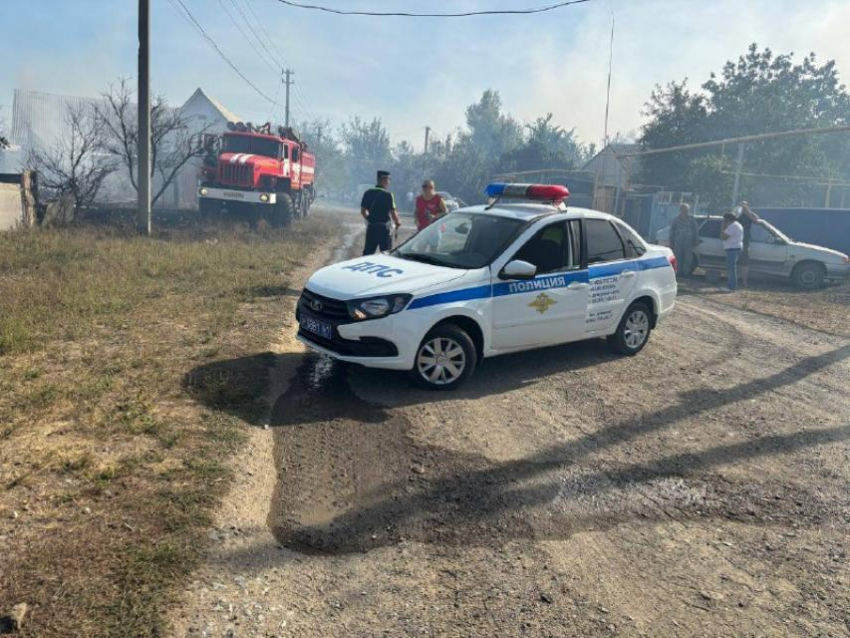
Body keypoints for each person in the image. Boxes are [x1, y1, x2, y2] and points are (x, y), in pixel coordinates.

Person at [360, 170, 401, 255]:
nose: (389, 182)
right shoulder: (388, 195)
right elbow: (393, 213)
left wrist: (369, 219)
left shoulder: (368, 193)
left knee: (368, 253)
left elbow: (363, 211)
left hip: (371, 228)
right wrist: (398, 222)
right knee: (386, 255)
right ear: (384, 179)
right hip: (384, 230)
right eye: (389, 179)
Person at [669, 203, 699, 277]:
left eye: (686, 210)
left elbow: (695, 230)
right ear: (680, 210)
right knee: (677, 258)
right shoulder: (676, 219)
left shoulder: (692, 219)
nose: (684, 211)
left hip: (689, 242)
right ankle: (677, 273)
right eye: (683, 209)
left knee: (688, 259)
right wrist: (671, 241)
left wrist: (696, 240)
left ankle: (686, 274)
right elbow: (672, 230)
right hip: (678, 242)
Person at [736, 201, 760, 288]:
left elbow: (756, 220)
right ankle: (732, 280)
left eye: (744, 205)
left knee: (745, 262)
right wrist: (738, 211)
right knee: (733, 262)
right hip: (734, 241)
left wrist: (747, 211)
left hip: (744, 242)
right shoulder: (735, 213)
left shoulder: (749, 214)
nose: (742, 206)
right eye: (741, 204)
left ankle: (744, 281)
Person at [720, 212, 744, 291]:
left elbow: (723, 237)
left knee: (731, 269)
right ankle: (731, 286)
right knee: (731, 268)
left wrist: (723, 226)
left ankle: (731, 287)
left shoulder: (733, 226)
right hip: (734, 248)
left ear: (727, 220)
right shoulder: (737, 225)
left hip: (732, 249)